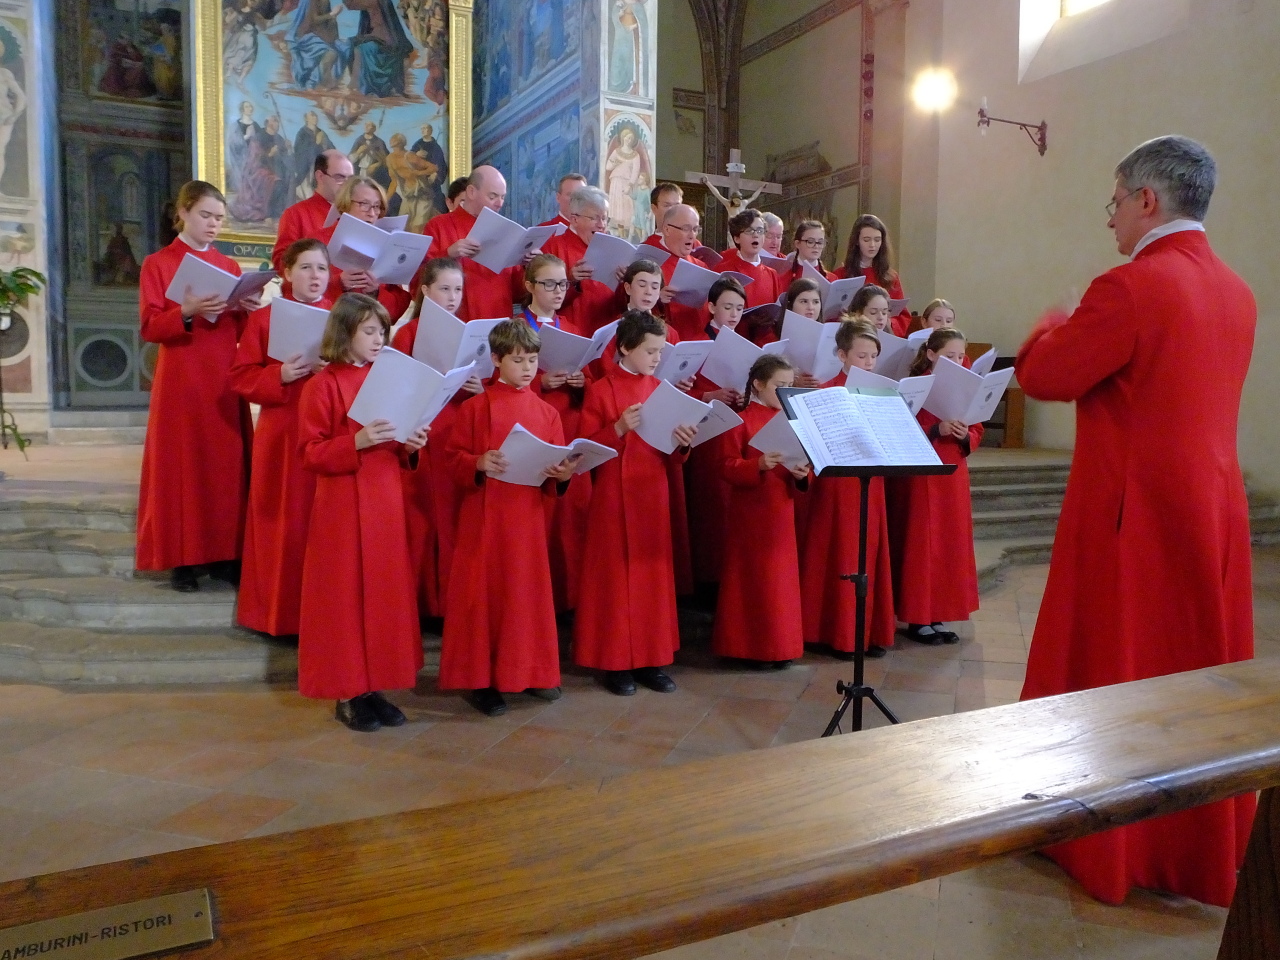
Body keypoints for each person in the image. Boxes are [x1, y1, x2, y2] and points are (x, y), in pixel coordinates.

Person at [1017, 135, 1256, 908]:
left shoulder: (1130, 287)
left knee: (1113, 667)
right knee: (1194, 675)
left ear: (1147, 199)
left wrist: (1049, 325)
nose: (1111, 217)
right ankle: (1192, 849)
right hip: (1211, 511)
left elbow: (1046, 375)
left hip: (1135, 514)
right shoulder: (1238, 291)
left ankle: (1105, 845)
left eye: (1116, 201)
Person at [297, 293, 429, 732]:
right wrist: (354, 442)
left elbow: (395, 441)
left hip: (385, 499)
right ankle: (348, 691)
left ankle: (375, 687)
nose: (378, 339)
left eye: (382, 332)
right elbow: (309, 453)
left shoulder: (384, 379)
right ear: (345, 332)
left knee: (383, 595)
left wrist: (411, 444)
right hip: (342, 505)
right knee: (345, 598)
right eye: (369, 331)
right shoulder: (322, 385)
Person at [441, 321, 579, 716]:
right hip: (485, 518)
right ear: (497, 359)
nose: (527, 368)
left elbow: (556, 467)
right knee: (484, 596)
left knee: (525, 595)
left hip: (527, 519)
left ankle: (530, 671)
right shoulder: (475, 407)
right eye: (518, 360)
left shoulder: (547, 412)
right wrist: (477, 462)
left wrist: (563, 475)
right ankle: (481, 680)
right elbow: (452, 460)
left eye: (532, 360)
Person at [136, 181, 257, 593]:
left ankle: (225, 555)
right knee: (182, 467)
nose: (213, 224)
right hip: (182, 378)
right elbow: (150, 327)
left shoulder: (229, 266)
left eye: (219, 218)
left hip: (223, 374)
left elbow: (240, 330)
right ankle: (182, 561)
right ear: (184, 212)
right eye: (206, 215)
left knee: (224, 466)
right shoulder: (158, 263)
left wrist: (246, 308)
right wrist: (185, 311)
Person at [573, 311, 699, 696]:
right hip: (613, 494)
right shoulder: (601, 390)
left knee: (651, 578)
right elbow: (583, 453)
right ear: (626, 348)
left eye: (660, 351)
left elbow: (673, 456)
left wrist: (683, 443)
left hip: (652, 492)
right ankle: (616, 663)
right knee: (615, 579)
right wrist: (617, 429)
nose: (657, 358)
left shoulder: (661, 390)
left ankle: (651, 659)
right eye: (650, 351)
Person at [229, 239, 332, 636]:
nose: (315, 276)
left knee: (321, 526)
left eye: (321, 268)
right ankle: (278, 616)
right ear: (287, 273)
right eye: (305, 267)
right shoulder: (265, 319)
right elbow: (241, 377)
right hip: (282, 431)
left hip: (328, 431)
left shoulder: (341, 317)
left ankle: (320, 617)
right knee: (282, 523)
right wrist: (280, 375)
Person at [391, 258, 484, 618]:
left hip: (460, 431)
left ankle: (454, 602)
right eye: (444, 289)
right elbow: (396, 387)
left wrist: (478, 388)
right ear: (426, 292)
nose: (452, 297)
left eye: (458, 289)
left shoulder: (470, 333)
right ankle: (428, 603)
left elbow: (487, 382)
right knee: (428, 520)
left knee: (458, 520)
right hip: (425, 432)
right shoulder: (408, 334)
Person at [800, 320, 896, 658]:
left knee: (869, 551)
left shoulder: (882, 393)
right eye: (861, 356)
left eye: (873, 356)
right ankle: (836, 634)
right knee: (840, 552)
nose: (869, 363)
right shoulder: (827, 392)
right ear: (842, 355)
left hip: (872, 479)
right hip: (838, 483)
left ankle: (868, 632)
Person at [712, 354, 809, 669]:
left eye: (790, 386)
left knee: (780, 582)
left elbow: (805, 465)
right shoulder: (741, 420)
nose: (785, 392)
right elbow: (725, 466)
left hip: (782, 508)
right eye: (779, 385)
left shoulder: (793, 421)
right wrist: (758, 465)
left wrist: (802, 474)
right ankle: (748, 648)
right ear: (758, 384)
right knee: (752, 581)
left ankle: (781, 647)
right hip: (750, 512)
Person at [891, 329, 981, 645]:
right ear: (931, 355)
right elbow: (900, 426)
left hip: (954, 471)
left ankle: (938, 614)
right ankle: (918, 617)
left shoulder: (966, 385)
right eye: (949, 356)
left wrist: (966, 435)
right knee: (923, 544)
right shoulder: (916, 385)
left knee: (949, 544)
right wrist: (935, 429)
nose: (956, 362)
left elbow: (977, 426)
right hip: (923, 471)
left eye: (960, 356)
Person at [521, 254, 590, 612]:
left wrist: (581, 382)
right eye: (549, 284)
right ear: (529, 286)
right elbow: (496, 379)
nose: (558, 291)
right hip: (532, 424)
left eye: (563, 283)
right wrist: (541, 382)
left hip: (570, 422)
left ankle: (569, 597)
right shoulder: (517, 327)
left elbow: (591, 378)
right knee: (540, 514)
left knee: (570, 514)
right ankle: (538, 596)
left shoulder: (573, 329)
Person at [684, 277, 748, 589]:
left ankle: (730, 576)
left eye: (739, 308)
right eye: (728, 307)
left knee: (731, 506)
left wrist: (746, 397)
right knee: (708, 504)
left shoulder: (746, 346)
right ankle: (708, 577)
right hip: (705, 432)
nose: (734, 314)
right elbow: (677, 390)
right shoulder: (696, 343)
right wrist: (707, 396)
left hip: (735, 429)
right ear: (711, 307)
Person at [423, 165, 530, 321]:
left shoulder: (506, 231)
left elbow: (518, 292)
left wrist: (528, 265)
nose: (499, 203)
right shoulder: (438, 226)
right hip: (455, 322)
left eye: (502, 197)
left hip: (499, 324)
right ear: (472, 192)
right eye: (493, 196)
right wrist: (448, 254)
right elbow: (419, 281)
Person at [320, 175, 412, 320]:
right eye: (364, 204)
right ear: (345, 204)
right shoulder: (318, 241)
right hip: (330, 325)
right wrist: (338, 283)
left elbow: (397, 308)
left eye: (376, 206)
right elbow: (296, 291)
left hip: (371, 326)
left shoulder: (386, 245)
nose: (372, 213)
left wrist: (375, 292)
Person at [542, 185, 625, 334]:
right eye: (594, 218)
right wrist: (570, 281)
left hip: (608, 333)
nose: (601, 225)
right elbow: (541, 299)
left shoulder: (613, 248)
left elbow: (621, 303)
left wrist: (625, 283)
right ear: (574, 219)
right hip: (570, 332)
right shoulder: (553, 246)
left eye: (604, 218)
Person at [272, 149, 352, 277]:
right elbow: (282, 264)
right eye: (339, 177)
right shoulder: (295, 214)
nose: (347, 185)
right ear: (320, 176)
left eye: (350, 179)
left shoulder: (356, 214)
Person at [838, 214, 910, 336]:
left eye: (877, 240)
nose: (872, 245)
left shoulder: (890, 277)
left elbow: (903, 316)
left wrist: (888, 322)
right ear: (856, 241)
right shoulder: (840, 274)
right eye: (866, 240)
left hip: (884, 336)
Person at [645, 203, 707, 342]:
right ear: (667, 229)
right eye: (686, 229)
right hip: (662, 342)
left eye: (695, 229)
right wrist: (656, 298)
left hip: (699, 341)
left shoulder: (701, 266)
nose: (692, 236)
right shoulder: (649, 263)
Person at [716, 209, 782, 312]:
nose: (755, 235)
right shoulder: (723, 271)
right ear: (737, 238)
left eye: (760, 231)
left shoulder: (772, 274)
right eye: (749, 231)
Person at [385, 132, 438, 231]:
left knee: (418, 226)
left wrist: (418, 173)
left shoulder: (410, 156)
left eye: (395, 140)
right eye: (392, 139)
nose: (392, 141)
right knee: (403, 226)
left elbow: (433, 167)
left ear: (401, 143)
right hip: (408, 195)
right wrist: (385, 199)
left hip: (422, 194)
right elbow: (394, 181)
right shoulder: (390, 159)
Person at [291, 113, 337, 201]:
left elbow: (331, 148)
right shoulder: (302, 133)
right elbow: (300, 151)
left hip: (320, 165)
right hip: (307, 168)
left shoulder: (321, 132)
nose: (315, 117)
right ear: (306, 119)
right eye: (312, 116)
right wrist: (316, 143)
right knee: (308, 192)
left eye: (315, 116)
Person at [410, 123, 449, 217]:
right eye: (422, 128)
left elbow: (440, 162)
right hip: (420, 179)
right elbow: (409, 158)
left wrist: (435, 174)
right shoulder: (417, 144)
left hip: (433, 180)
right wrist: (416, 155)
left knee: (437, 202)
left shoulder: (436, 147)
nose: (423, 130)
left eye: (425, 128)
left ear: (430, 131)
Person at [642, 182, 683, 247]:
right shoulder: (646, 247)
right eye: (667, 205)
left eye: (677, 206)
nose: (673, 210)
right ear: (654, 208)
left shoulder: (692, 245)